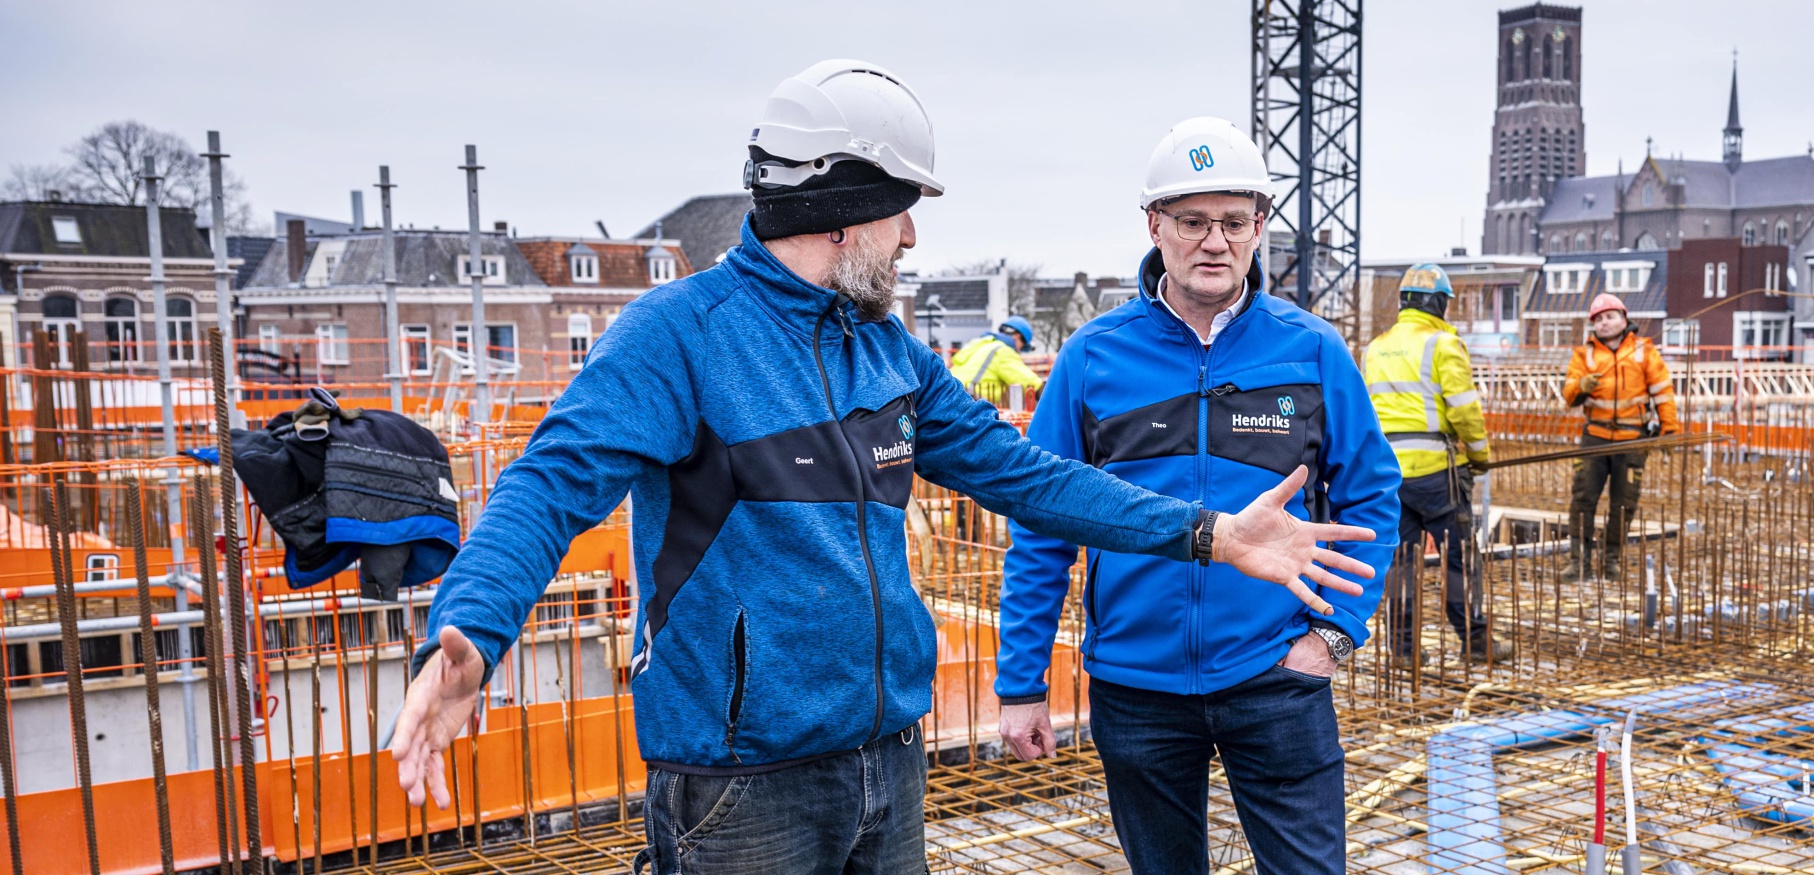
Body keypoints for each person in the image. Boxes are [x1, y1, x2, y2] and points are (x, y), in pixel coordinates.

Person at [385, 65, 1377, 875]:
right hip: (742, 787)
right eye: (902, 211)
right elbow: (548, 484)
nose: (912, 237)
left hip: (887, 767)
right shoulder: (681, 339)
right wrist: (472, 627)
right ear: (842, 208)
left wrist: (1209, 533)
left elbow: (1028, 480)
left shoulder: (888, 352)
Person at [993, 116, 1401, 875]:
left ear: (1259, 228)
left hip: (1276, 675)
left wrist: (1335, 633)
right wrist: (1022, 682)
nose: (1213, 241)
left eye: (1233, 221)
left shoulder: (1311, 350)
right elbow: (1041, 522)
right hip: (1136, 689)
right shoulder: (1093, 358)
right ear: (1155, 225)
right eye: (1191, 221)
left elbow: (1373, 498)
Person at [1361, 262, 1511, 661]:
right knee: (1458, 562)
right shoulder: (1442, 344)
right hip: (1437, 475)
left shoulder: (1374, 348)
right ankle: (1476, 642)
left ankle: (1403, 649)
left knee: (1402, 564)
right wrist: (1479, 457)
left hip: (1388, 477)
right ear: (1440, 303)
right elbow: (1464, 411)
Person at [1562, 292, 1679, 582]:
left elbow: (1663, 392)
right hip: (1595, 437)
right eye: (1599, 319)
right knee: (1582, 500)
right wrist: (1581, 386)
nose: (1604, 323)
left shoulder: (1644, 351)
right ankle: (1579, 563)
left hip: (1632, 439)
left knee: (1624, 504)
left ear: (1624, 318)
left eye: (1610, 316)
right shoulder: (1584, 354)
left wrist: (1669, 429)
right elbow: (1569, 395)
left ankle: (1611, 560)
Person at [948, 315, 1045, 405]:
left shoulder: (978, 344)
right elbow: (1028, 382)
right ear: (1018, 337)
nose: (1018, 351)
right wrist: (1047, 392)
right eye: (1021, 347)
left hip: (949, 397)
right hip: (969, 403)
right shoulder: (1002, 350)